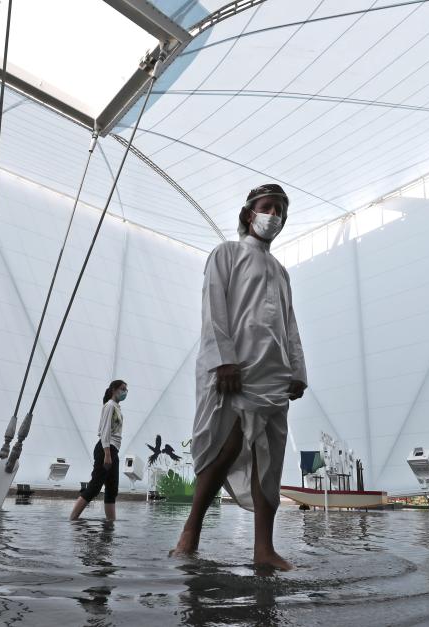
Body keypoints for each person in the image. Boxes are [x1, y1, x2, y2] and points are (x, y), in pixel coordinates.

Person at [172, 183, 307, 571]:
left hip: (274, 373)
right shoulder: (226, 254)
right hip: (234, 371)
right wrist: (224, 361)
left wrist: (297, 370)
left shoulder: (281, 272)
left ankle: (263, 548)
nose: (275, 217)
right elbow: (214, 308)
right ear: (250, 213)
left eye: (281, 211)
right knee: (225, 447)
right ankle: (190, 533)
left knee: (271, 458)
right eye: (269, 208)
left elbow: (290, 324)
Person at [70, 380, 127, 522]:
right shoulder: (109, 406)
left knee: (112, 490)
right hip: (106, 449)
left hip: (113, 450)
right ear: (113, 389)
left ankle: (110, 523)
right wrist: (107, 454)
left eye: (126, 390)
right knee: (95, 486)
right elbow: (105, 431)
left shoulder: (117, 407)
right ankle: (72, 519)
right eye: (122, 389)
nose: (125, 392)